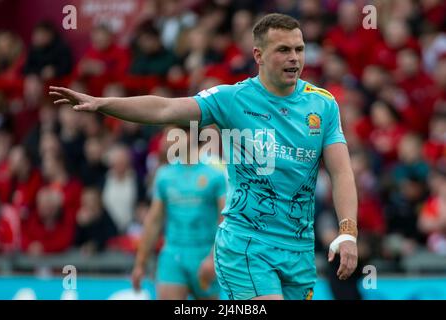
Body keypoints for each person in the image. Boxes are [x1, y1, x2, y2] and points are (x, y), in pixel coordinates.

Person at [49, 13, 358, 300]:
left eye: (299, 49)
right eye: (283, 50)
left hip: (298, 249)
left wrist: (348, 234)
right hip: (246, 245)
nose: (294, 58)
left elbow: (341, 172)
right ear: (258, 56)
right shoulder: (232, 99)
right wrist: (104, 103)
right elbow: (165, 109)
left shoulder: (323, 105)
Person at [131, 126, 226, 300]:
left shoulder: (216, 172)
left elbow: (225, 221)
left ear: (190, 135)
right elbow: (154, 221)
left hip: (204, 256)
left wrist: (214, 258)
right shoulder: (164, 175)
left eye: (170, 133)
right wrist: (140, 263)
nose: (166, 139)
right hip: (172, 255)